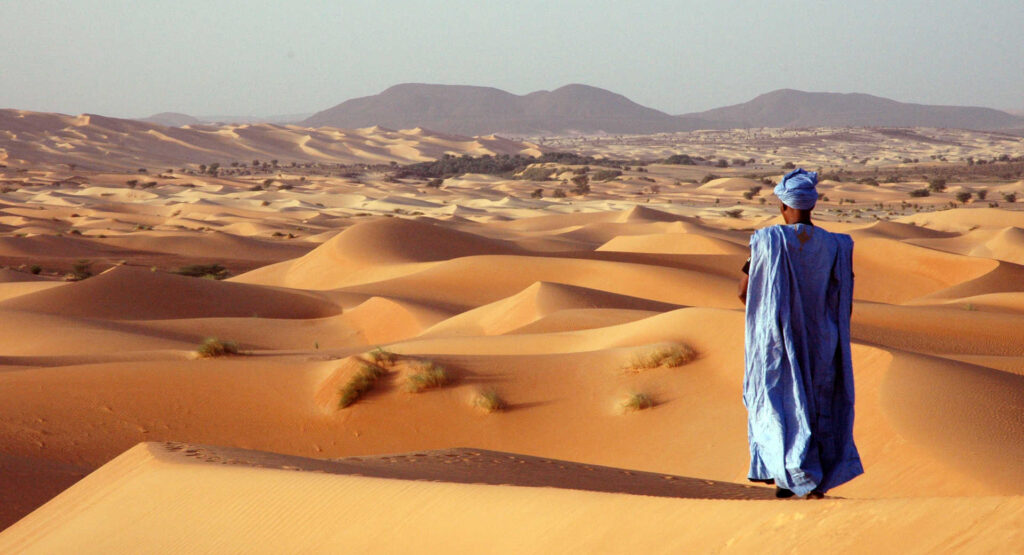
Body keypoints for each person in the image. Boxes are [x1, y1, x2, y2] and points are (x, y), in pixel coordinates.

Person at [737, 168, 863, 499]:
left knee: (779, 400)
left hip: (779, 339)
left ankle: (787, 476)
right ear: (812, 205)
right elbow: (844, 296)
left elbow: (744, 291)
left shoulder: (767, 240)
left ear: (783, 205)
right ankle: (813, 478)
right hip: (825, 339)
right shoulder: (837, 245)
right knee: (820, 402)